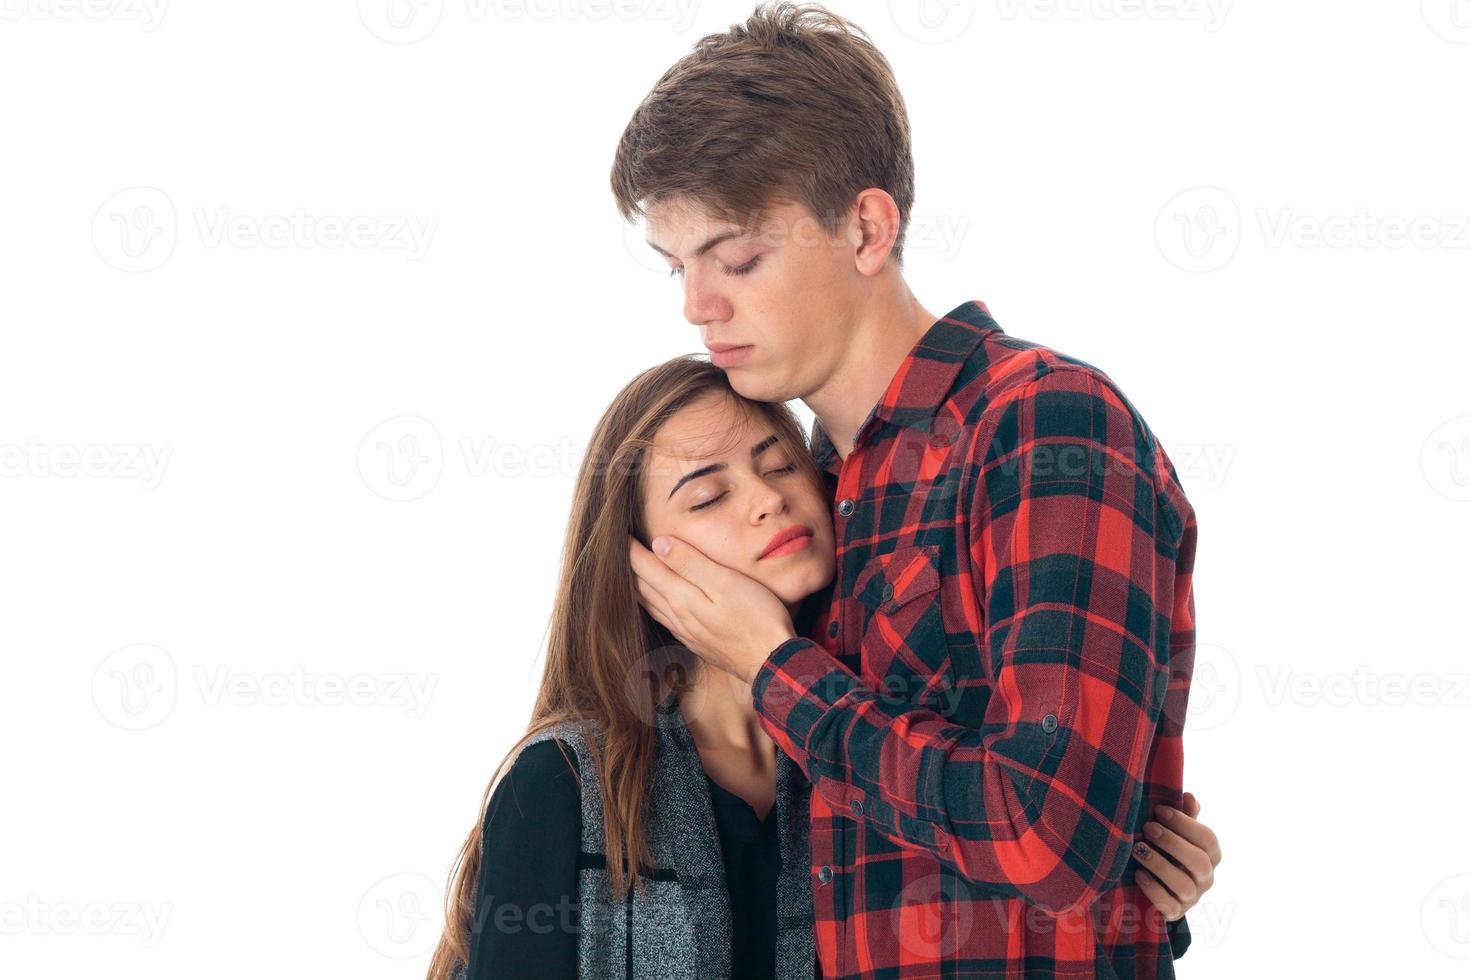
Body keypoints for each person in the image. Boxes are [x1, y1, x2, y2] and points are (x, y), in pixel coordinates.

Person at [617, 4, 1221, 977]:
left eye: (736, 258)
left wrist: (776, 666)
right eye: (677, 266)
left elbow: (1050, 838)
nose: (698, 305)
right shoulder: (807, 495)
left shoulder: (1045, 429)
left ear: (866, 226)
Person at [427, 358, 1214, 979]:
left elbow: (990, 889)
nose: (766, 500)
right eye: (708, 496)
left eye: (779, 464)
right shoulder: (565, 783)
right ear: (638, 565)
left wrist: (1143, 894)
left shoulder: (857, 749)